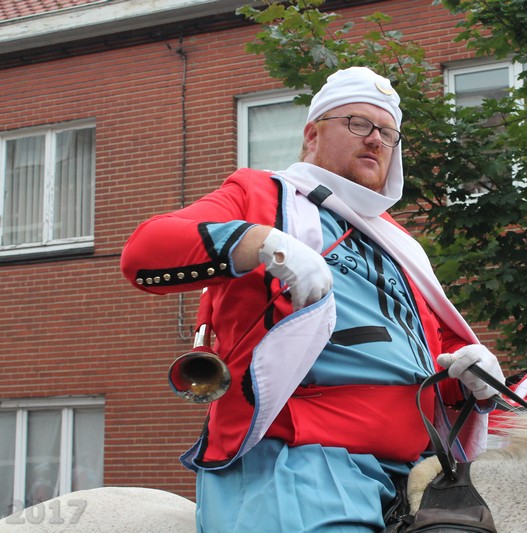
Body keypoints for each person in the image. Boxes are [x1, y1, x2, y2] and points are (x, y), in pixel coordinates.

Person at [120, 66, 504, 532]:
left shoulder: (400, 243)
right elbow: (145, 251)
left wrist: (471, 374)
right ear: (311, 135)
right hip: (301, 461)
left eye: (387, 133)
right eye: (358, 124)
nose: (376, 139)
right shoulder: (260, 193)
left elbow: (427, 356)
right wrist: (262, 242)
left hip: (418, 471)